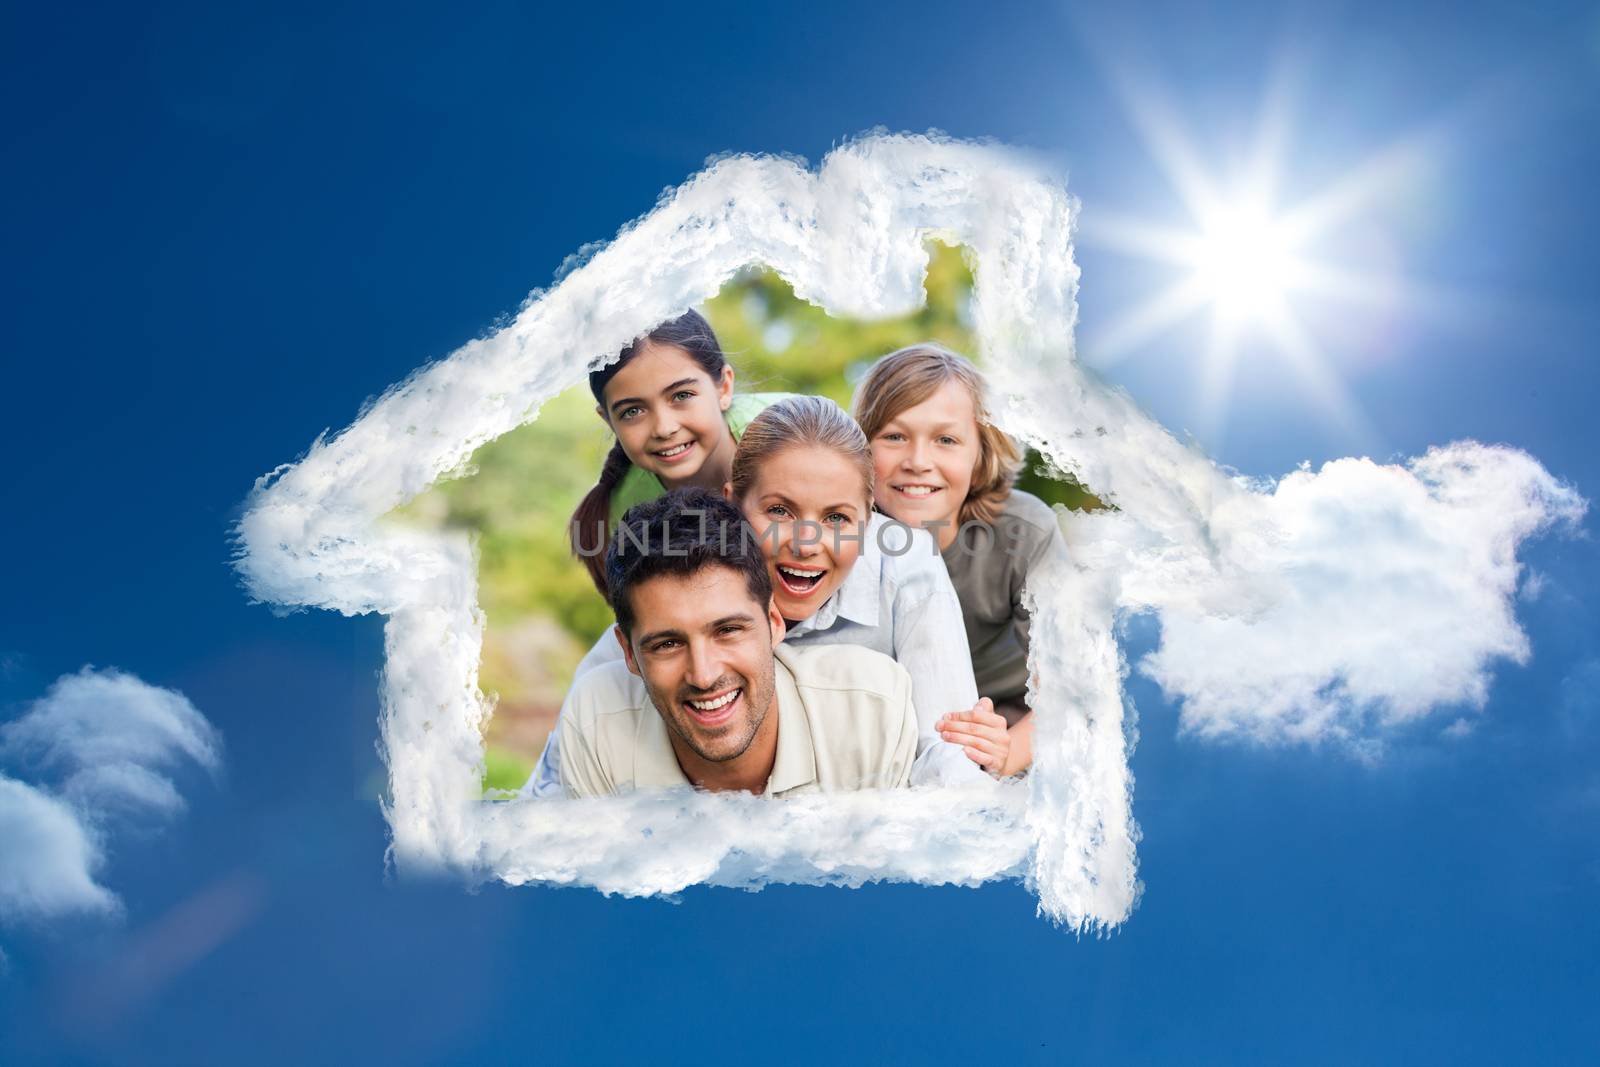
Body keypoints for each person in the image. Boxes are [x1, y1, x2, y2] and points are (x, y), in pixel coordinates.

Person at [527, 395, 1003, 796]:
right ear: (731, 505)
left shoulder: (904, 569)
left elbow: (948, 749)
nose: (807, 542)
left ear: (869, 518)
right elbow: (596, 706)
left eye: (838, 518)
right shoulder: (684, 583)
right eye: (779, 510)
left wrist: (974, 767)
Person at [559, 489, 920, 798]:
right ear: (629, 653)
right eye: (668, 644)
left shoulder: (873, 709)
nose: (703, 675)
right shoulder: (597, 720)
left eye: (728, 631)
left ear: (774, 622)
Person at [854, 343, 1071, 776]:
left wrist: (1007, 751)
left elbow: (1071, 684)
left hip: (1010, 721)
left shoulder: (1023, 530)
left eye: (946, 440)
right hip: (894, 733)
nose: (918, 462)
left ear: (980, 454)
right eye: (894, 437)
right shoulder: (834, 537)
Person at [569, 308, 790, 593]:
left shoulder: (791, 435)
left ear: (723, 387)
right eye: (632, 411)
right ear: (608, 420)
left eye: (682, 395)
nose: (664, 427)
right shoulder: (629, 512)